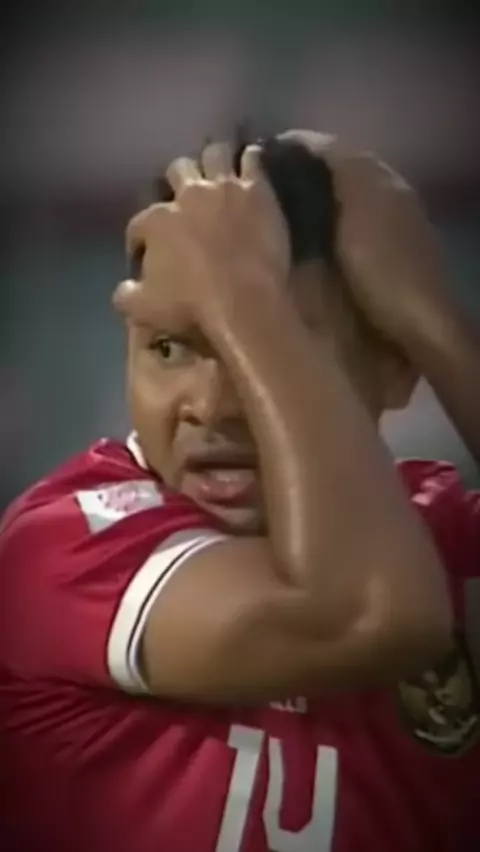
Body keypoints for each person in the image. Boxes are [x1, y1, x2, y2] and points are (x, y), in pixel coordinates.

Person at [1, 129, 479, 852]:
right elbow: (364, 615)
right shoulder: (66, 544)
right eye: (170, 348)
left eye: (279, 340)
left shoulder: (431, 526)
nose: (213, 407)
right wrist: (252, 302)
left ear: (395, 365)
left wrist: (434, 320)